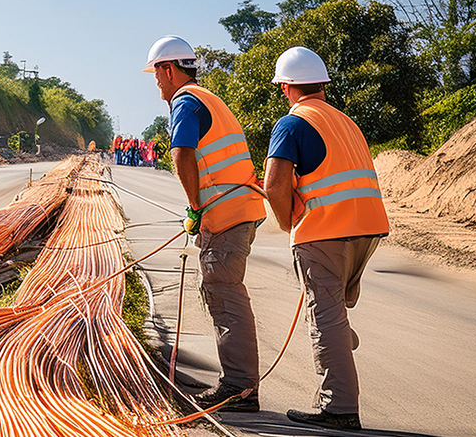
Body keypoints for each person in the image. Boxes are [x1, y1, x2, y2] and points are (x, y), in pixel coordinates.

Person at [263, 47, 388, 431]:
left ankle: (339, 408)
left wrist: (287, 223)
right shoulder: (345, 121)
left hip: (325, 229)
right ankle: (340, 341)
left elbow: (274, 183)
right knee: (334, 310)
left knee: (325, 314)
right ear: (321, 83)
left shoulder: (292, 122)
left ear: (286, 86)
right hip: (367, 229)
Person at [143, 35, 266, 412]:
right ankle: (240, 384)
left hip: (225, 213)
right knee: (223, 291)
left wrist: (194, 205)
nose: (157, 84)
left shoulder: (185, 101)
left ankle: (240, 388)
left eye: (156, 75)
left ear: (168, 69)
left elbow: (182, 153)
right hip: (240, 209)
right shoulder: (210, 98)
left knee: (225, 294)